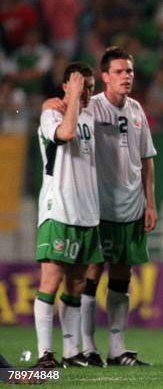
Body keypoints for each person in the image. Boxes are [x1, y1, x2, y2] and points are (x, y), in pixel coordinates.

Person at [80, 47, 157, 366]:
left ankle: (117, 347)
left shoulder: (137, 110)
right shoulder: (92, 110)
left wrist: (149, 203)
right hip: (99, 207)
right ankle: (86, 347)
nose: (127, 77)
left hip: (132, 207)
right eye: (120, 72)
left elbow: (147, 160)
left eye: (130, 71)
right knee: (92, 271)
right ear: (104, 77)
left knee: (123, 274)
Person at [34, 62, 101, 368]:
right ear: (65, 87)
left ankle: (72, 352)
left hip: (87, 214)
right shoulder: (52, 114)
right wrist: (72, 98)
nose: (86, 92)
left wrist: (78, 99)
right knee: (51, 281)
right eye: (80, 86)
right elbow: (66, 133)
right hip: (59, 209)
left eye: (89, 87)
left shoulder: (89, 112)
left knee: (76, 286)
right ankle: (45, 354)